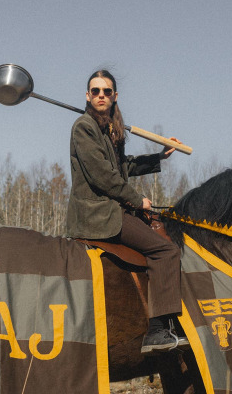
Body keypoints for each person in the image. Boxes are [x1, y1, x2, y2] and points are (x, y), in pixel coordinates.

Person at [65, 69, 188, 353]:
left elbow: (124, 166)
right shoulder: (83, 127)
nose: (100, 96)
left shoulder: (108, 131)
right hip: (97, 214)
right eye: (95, 91)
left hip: (112, 207)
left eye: (106, 92)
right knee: (166, 251)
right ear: (87, 95)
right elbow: (102, 175)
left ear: (114, 96)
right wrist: (136, 199)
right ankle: (157, 330)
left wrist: (160, 156)